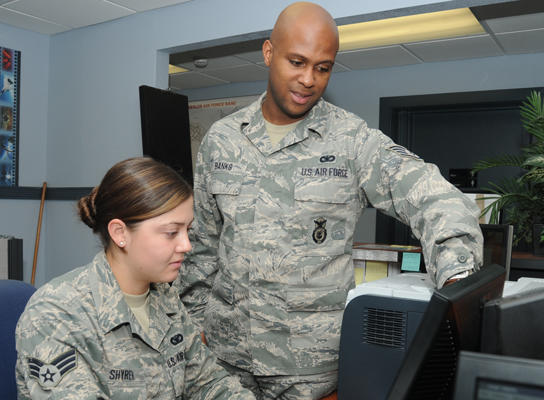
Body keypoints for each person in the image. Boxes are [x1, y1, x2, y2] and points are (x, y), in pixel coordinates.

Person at [175, 2, 483, 398]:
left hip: (308, 371)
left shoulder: (351, 141)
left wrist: (457, 278)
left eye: (323, 68)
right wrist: (192, 325)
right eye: (297, 62)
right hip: (224, 360)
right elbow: (202, 246)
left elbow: (432, 195)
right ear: (269, 53)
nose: (308, 79)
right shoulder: (221, 139)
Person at [15, 157, 255, 400]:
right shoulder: (55, 313)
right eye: (171, 233)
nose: (186, 245)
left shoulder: (164, 297)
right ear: (120, 233)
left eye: (188, 230)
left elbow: (209, 384)